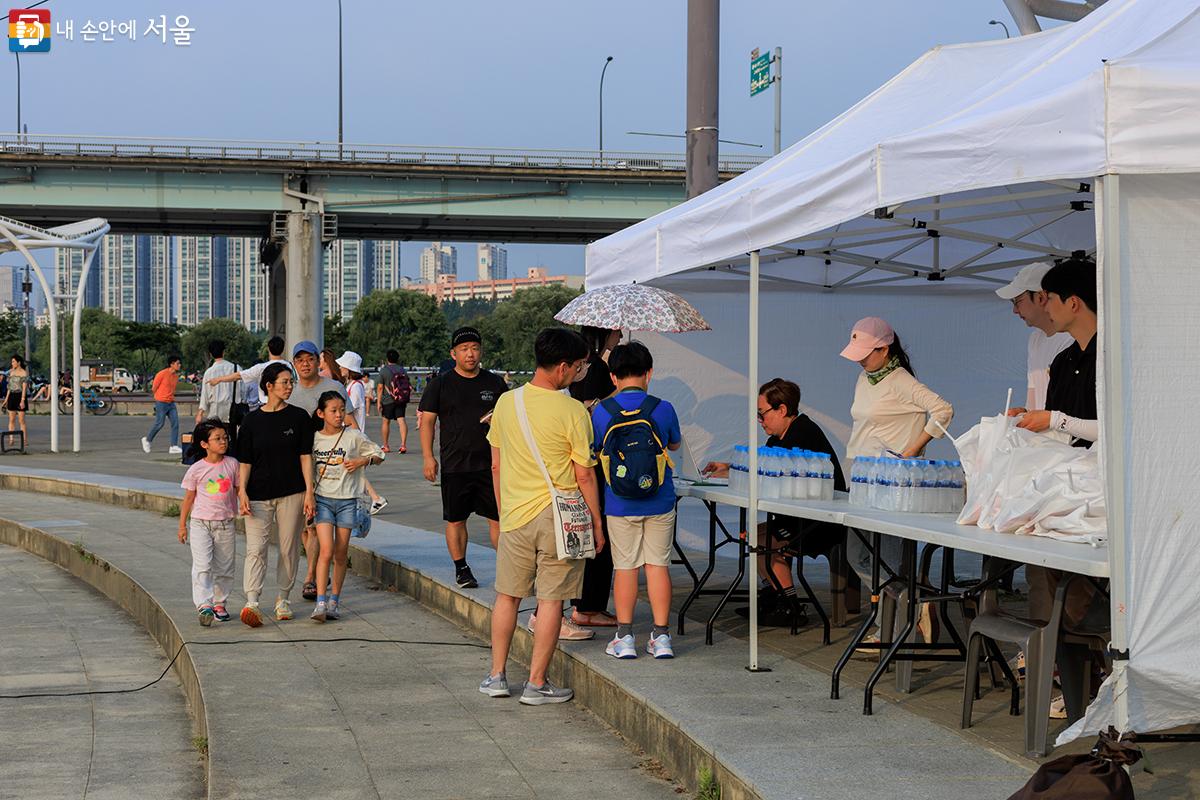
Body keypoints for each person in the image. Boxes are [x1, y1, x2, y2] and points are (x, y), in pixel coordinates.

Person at [479, 328, 604, 704]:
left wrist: (503, 512)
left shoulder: (506, 402)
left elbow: (496, 465)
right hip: (561, 518)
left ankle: (497, 676)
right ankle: (536, 683)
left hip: (515, 515)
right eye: (579, 367)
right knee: (551, 601)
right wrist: (597, 523)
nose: (580, 373)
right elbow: (584, 474)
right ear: (562, 367)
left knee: (507, 598)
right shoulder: (573, 411)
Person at [1012, 256, 1103, 723]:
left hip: (1104, 498)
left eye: (1046, 298)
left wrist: (1056, 421)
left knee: (1068, 582)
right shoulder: (1064, 359)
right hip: (1067, 491)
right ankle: (1062, 668)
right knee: (1039, 562)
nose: (1041, 307)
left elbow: (1119, 429)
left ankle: (1073, 670)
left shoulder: (1113, 354)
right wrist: (1030, 427)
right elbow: (1063, 437)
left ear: (1073, 301)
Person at [840, 317, 953, 644]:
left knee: (887, 561)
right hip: (862, 477)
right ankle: (914, 605)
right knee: (858, 555)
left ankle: (893, 626)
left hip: (893, 482)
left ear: (884, 349)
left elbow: (943, 410)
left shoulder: (901, 380)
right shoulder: (865, 378)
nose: (860, 359)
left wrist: (914, 448)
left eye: (865, 352)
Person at [703, 378, 848, 627]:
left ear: (781, 410)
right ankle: (773, 596)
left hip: (821, 521)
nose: (760, 421)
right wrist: (728, 467)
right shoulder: (782, 436)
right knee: (756, 536)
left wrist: (735, 470)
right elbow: (762, 464)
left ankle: (790, 606)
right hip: (800, 516)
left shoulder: (803, 434)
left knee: (763, 541)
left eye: (762, 414)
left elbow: (771, 472)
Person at [591, 342, 682, 659]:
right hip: (660, 500)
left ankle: (625, 637)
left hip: (619, 503)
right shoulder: (664, 408)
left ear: (613, 376)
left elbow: (596, 450)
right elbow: (674, 444)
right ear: (649, 373)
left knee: (625, 567)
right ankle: (661, 638)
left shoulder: (601, 411)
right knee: (658, 566)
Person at [418, 326, 508, 590]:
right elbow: (427, 422)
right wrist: (427, 457)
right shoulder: (441, 384)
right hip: (455, 465)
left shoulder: (494, 383)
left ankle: (507, 567)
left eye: (475, 348)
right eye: (465, 349)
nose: (471, 354)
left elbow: (508, 420)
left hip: (491, 464)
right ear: (454, 353)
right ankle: (462, 568)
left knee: (499, 519)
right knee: (456, 519)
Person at [235, 363, 315, 626]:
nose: (289, 386)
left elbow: (306, 457)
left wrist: (309, 492)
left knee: (288, 547)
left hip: (292, 492)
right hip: (258, 494)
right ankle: (252, 601)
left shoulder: (299, 417)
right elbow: (244, 461)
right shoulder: (251, 421)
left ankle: (283, 598)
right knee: (255, 549)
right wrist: (242, 491)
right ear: (268, 386)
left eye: (291, 382)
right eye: (284, 382)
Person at [564, 325, 622, 630]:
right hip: (595, 461)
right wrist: (618, 391)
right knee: (601, 541)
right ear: (604, 334)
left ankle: (581, 604)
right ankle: (590, 607)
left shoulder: (581, 366)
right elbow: (590, 407)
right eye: (616, 333)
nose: (620, 337)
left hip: (576, 459)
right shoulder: (597, 367)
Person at [310, 390, 384, 622]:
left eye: (342, 410)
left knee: (341, 553)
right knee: (326, 550)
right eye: (333, 410)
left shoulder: (353, 436)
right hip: (322, 499)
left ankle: (334, 601)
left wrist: (363, 460)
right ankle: (320, 602)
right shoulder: (314, 438)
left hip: (347, 501)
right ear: (321, 413)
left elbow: (380, 454)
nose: (339, 414)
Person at [178, 419, 239, 626]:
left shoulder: (232, 464)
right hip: (200, 523)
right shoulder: (196, 469)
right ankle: (204, 604)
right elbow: (188, 498)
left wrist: (245, 505)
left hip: (225, 523)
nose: (223, 442)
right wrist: (182, 525)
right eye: (217, 439)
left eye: (225, 438)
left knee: (225, 567)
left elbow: (239, 490)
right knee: (202, 565)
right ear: (204, 444)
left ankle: (220, 603)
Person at [996, 263, 1074, 416]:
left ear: (1041, 297)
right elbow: (1033, 399)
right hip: (1043, 436)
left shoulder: (1070, 339)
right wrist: (1024, 413)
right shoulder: (1035, 339)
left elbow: (1068, 407)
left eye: (1017, 301)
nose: (1015, 310)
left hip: (1063, 435)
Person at [208, 335, 290, 411]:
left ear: (268, 349)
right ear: (283, 349)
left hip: (267, 407)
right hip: (286, 406)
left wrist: (219, 379)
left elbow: (238, 375)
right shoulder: (291, 367)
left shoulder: (261, 368)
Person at [142, 355, 183, 455]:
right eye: (177, 363)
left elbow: (172, 390)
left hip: (171, 402)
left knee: (175, 424)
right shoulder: (161, 374)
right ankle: (147, 440)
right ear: (171, 364)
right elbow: (154, 388)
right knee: (159, 423)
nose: (179, 365)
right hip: (161, 402)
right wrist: (159, 398)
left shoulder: (175, 376)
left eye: (179, 363)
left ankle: (173, 446)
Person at [376, 349, 411, 454]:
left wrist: (378, 402)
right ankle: (403, 445)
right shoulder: (402, 370)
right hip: (400, 399)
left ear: (387, 359)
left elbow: (380, 387)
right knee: (401, 420)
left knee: (386, 421)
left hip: (388, 400)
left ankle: (386, 446)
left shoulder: (384, 370)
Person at [197, 340, 239, 424]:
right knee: (232, 436)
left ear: (211, 354)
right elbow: (242, 390)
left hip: (215, 411)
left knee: (217, 435)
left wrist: (200, 414)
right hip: (233, 410)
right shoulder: (236, 368)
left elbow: (205, 395)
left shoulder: (209, 372)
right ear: (224, 352)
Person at [5, 355, 29, 445]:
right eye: (12, 361)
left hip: (20, 396)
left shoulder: (24, 373)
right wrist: (6, 399)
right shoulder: (11, 372)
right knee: (11, 419)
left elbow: (24, 388)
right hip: (12, 396)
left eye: (13, 361)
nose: (12, 363)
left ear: (18, 362)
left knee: (21, 420)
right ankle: (11, 439)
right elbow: (9, 387)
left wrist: (22, 400)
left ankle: (24, 440)